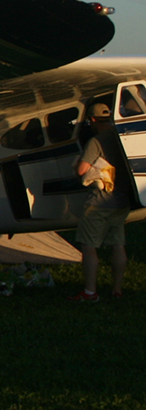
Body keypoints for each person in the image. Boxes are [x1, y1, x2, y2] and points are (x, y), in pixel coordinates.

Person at [71, 100, 132, 302]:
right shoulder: (121, 137)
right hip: (122, 200)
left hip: (99, 202)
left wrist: (76, 165)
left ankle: (90, 292)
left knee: (89, 246)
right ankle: (117, 289)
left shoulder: (96, 141)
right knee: (118, 244)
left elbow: (82, 170)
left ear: (92, 120)